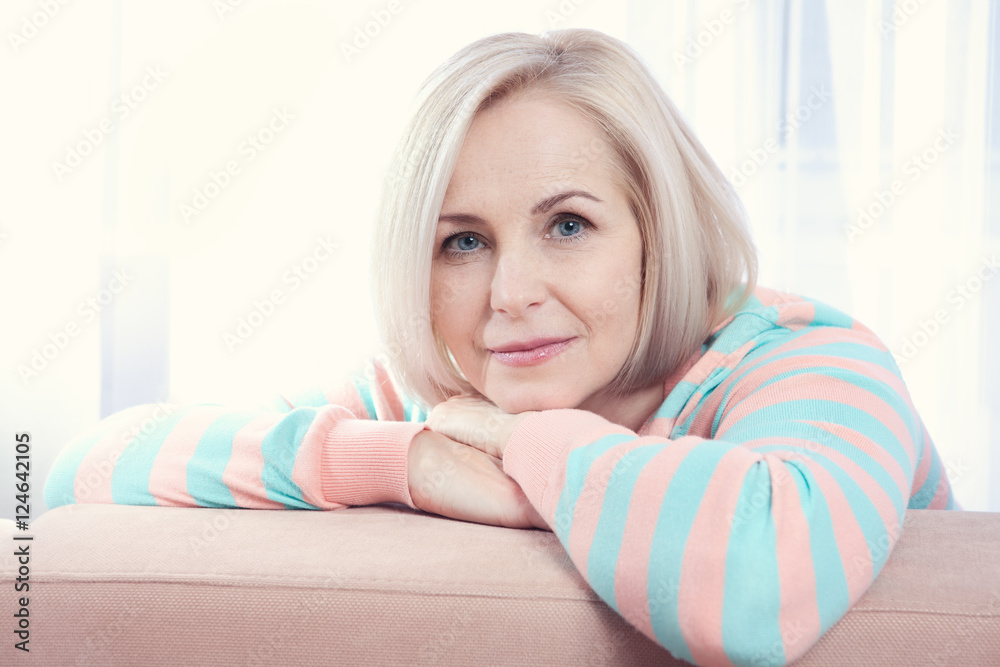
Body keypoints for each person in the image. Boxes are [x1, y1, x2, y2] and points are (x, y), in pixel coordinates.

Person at [44, 29, 956, 667]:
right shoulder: (427, 390)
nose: (510, 294)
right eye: (463, 242)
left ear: (658, 232)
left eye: (567, 224)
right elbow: (79, 473)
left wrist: (524, 446)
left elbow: (754, 585)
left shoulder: (813, 358)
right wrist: (405, 460)